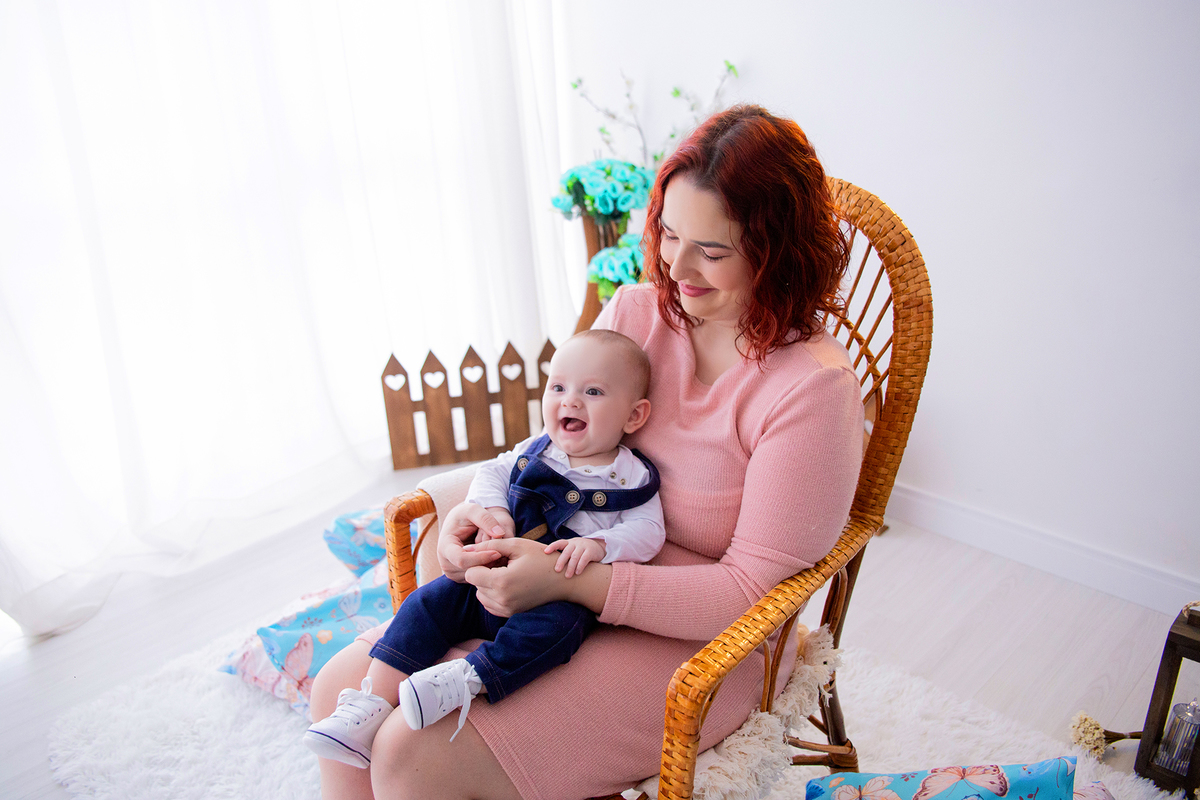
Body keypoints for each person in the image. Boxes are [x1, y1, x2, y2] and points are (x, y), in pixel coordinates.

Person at [309, 104, 864, 800]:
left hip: (708, 639)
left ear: (779, 253)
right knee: (337, 688)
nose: (677, 267)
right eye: (668, 232)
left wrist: (572, 583)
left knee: (411, 753)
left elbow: (751, 595)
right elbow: (557, 443)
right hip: (568, 572)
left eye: (713, 252)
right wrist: (480, 513)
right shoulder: (636, 314)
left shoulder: (812, 390)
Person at [304, 329, 666, 767]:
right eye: (558, 387)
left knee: (561, 630)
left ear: (634, 415)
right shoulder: (536, 450)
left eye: (592, 391)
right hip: (490, 573)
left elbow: (649, 531)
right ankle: (367, 705)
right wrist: (494, 513)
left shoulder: (628, 475)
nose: (570, 401)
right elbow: (491, 475)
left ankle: (469, 678)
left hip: (555, 591)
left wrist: (599, 544)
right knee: (427, 603)